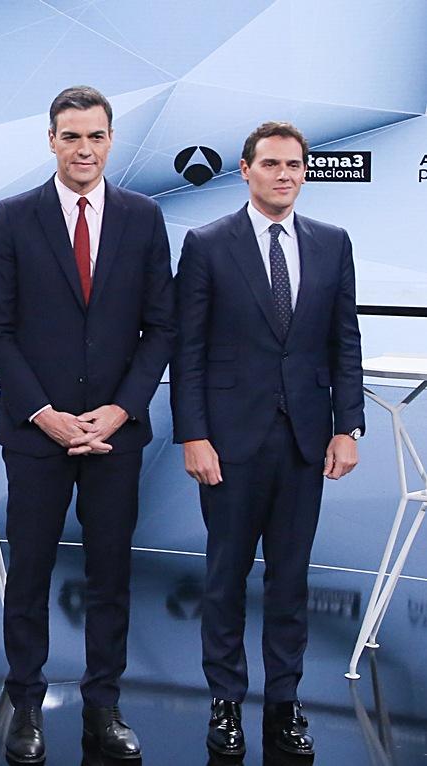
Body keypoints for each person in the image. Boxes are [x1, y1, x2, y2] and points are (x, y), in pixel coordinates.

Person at [0, 85, 175, 763]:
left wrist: (120, 409)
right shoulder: (12, 217)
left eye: (95, 136)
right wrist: (45, 414)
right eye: (71, 136)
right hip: (38, 434)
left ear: (111, 140)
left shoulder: (144, 218)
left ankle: (104, 705)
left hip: (116, 434)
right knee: (27, 573)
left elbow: (162, 327)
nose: (83, 149)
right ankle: (26, 704)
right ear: (51, 140)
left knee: (110, 576)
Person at [171, 121, 363, 758]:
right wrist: (193, 435)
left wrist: (347, 426)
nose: (285, 174)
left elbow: (345, 342)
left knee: (291, 580)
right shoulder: (207, 243)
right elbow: (188, 351)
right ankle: (225, 703)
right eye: (272, 164)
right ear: (247, 171)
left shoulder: (333, 243)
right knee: (225, 578)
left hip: (306, 440)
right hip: (228, 442)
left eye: (295, 165)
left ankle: (285, 702)